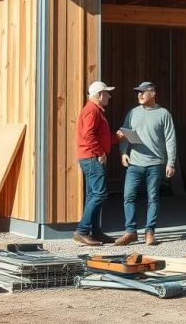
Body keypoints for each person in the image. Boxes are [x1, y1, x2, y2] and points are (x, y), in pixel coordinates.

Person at [114, 81, 177, 246]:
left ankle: (150, 232)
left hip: (155, 163)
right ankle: (130, 232)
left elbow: (170, 139)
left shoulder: (163, 114)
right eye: (138, 92)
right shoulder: (133, 113)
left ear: (153, 93)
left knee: (153, 197)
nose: (140, 95)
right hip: (134, 163)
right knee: (128, 196)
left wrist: (171, 162)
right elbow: (125, 132)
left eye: (143, 92)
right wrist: (123, 153)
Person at [72, 80, 117, 246]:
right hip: (91, 157)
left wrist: (117, 137)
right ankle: (82, 231)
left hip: (89, 156)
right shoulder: (92, 111)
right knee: (99, 194)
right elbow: (89, 135)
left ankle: (95, 232)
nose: (109, 96)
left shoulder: (94, 110)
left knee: (93, 195)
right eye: (107, 93)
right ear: (99, 95)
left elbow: (99, 137)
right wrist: (100, 153)